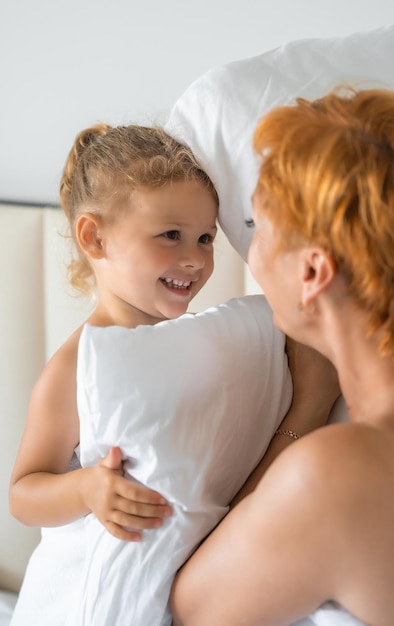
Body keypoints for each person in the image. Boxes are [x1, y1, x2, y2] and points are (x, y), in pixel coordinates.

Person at [9, 122, 339, 625]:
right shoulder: (77, 366)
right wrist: (86, 490)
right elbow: (23, 492)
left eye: (206, 237)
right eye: (171, 235)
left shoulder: (214, 343)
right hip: (77, 597)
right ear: (95, 237)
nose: (195, 259)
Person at [169, 87, 394, 626]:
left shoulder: (339, 475)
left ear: (311, 274)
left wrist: (306, 409)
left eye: (257, 229)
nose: (249, 252)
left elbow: (191, 610)